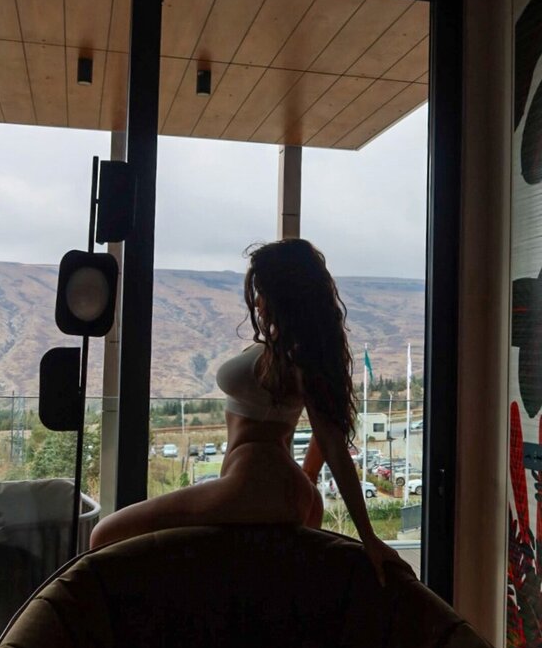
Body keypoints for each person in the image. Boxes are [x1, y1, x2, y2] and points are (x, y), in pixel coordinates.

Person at [91, 238, 404, 585]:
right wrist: (307, 478)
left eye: (262, 291)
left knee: (105, 534)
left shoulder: (297, 357)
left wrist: (368, 536)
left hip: (257, 486)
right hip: (262, 486)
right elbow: (326, 430)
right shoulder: (287, 350)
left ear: (284, 294)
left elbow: (331, 439)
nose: (256, 301)